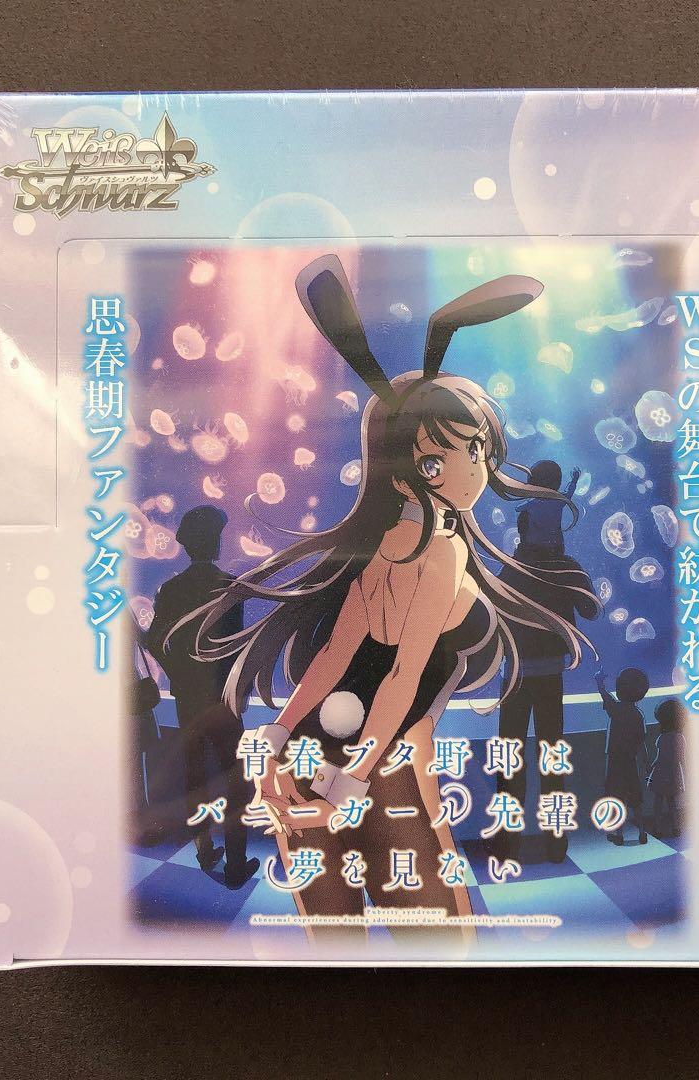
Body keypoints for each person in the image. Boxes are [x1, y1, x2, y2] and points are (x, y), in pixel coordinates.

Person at [171, 254, 598, 938]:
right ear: (402, 474)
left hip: (321, 753)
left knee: (339, 937)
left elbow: (338, 659)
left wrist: (280, 741)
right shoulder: (439, 549)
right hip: (375, 764)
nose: (467, 471)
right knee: (429, 940)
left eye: (473, 451)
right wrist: (353, 778)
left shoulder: (386, 545)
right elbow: (395, 674)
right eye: (436, 459)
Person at [145, 505, 258, 889]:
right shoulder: (230, 586)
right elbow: (238, 648)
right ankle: (236, 864)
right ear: (214, 541)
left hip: (188, 699)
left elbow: (155, 641)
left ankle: (204, 850)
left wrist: (178, 673)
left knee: (194, 776)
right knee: (236, 779)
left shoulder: (170, 590)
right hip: (223, 701)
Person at [495, 460, 601, 863]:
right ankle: (556, 844)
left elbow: (490, 613)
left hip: (514, 675)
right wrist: (571, 582)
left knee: (509, 755)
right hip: (551, 675)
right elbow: (590, 610)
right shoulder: (566, 567)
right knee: (552, 754)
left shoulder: (510, 568)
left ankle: (506, 844)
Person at [594, 667, 650, 846]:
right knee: (635, 799)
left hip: (615, 761)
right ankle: (642, 833)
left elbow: (604, 694)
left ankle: (619, 835)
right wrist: (646, 761)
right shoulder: (638, 715)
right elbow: (642, 741)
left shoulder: (616, 709)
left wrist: (599, 681)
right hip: (631, 761)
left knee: (617, 798)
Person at [648, 698, 686, 837]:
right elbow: (682, 758)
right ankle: (676, 828)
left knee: (658, 801)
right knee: (672, 802)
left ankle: (658, 828)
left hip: (661, 772)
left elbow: (659, 757)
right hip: (674, 773)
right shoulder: (680, 737)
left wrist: (651, 767)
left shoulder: (662, 738)